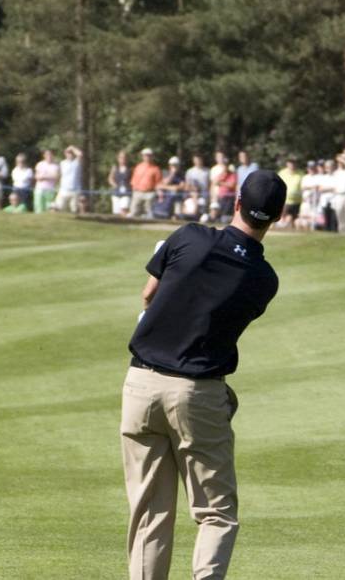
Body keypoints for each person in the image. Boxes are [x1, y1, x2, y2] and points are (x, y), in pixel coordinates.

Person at [122, 170, 284, 580]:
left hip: (140, 386)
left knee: (150, 513)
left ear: (236, 203)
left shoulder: (189, 237)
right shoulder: (264, 280)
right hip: (198, 393)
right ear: (278, 217)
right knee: (216, 514)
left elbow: (148, 294)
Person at [129, 148, 162, 218]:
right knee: (134, 212)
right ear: (143, 156)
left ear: (152, 156)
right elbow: (133, 180)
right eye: (146, 155)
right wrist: (134, 189)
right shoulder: (138, 167)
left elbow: (158, 183)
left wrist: (159, 193)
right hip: (138, 192)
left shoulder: (156, 169)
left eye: (149, 155)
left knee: (149, 214)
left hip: (150, 193)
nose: (147, 157)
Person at [56, 145, 84, 213]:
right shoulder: (62, 163)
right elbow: (59, 175)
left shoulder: (76, 162)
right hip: (64, 190)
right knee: (58, 207)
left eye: (71, 153)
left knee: (74, 210)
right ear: (65, 154)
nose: (70, 154)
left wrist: (72, 147)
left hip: (75, 190)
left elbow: (80, 154)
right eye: (68, 153)